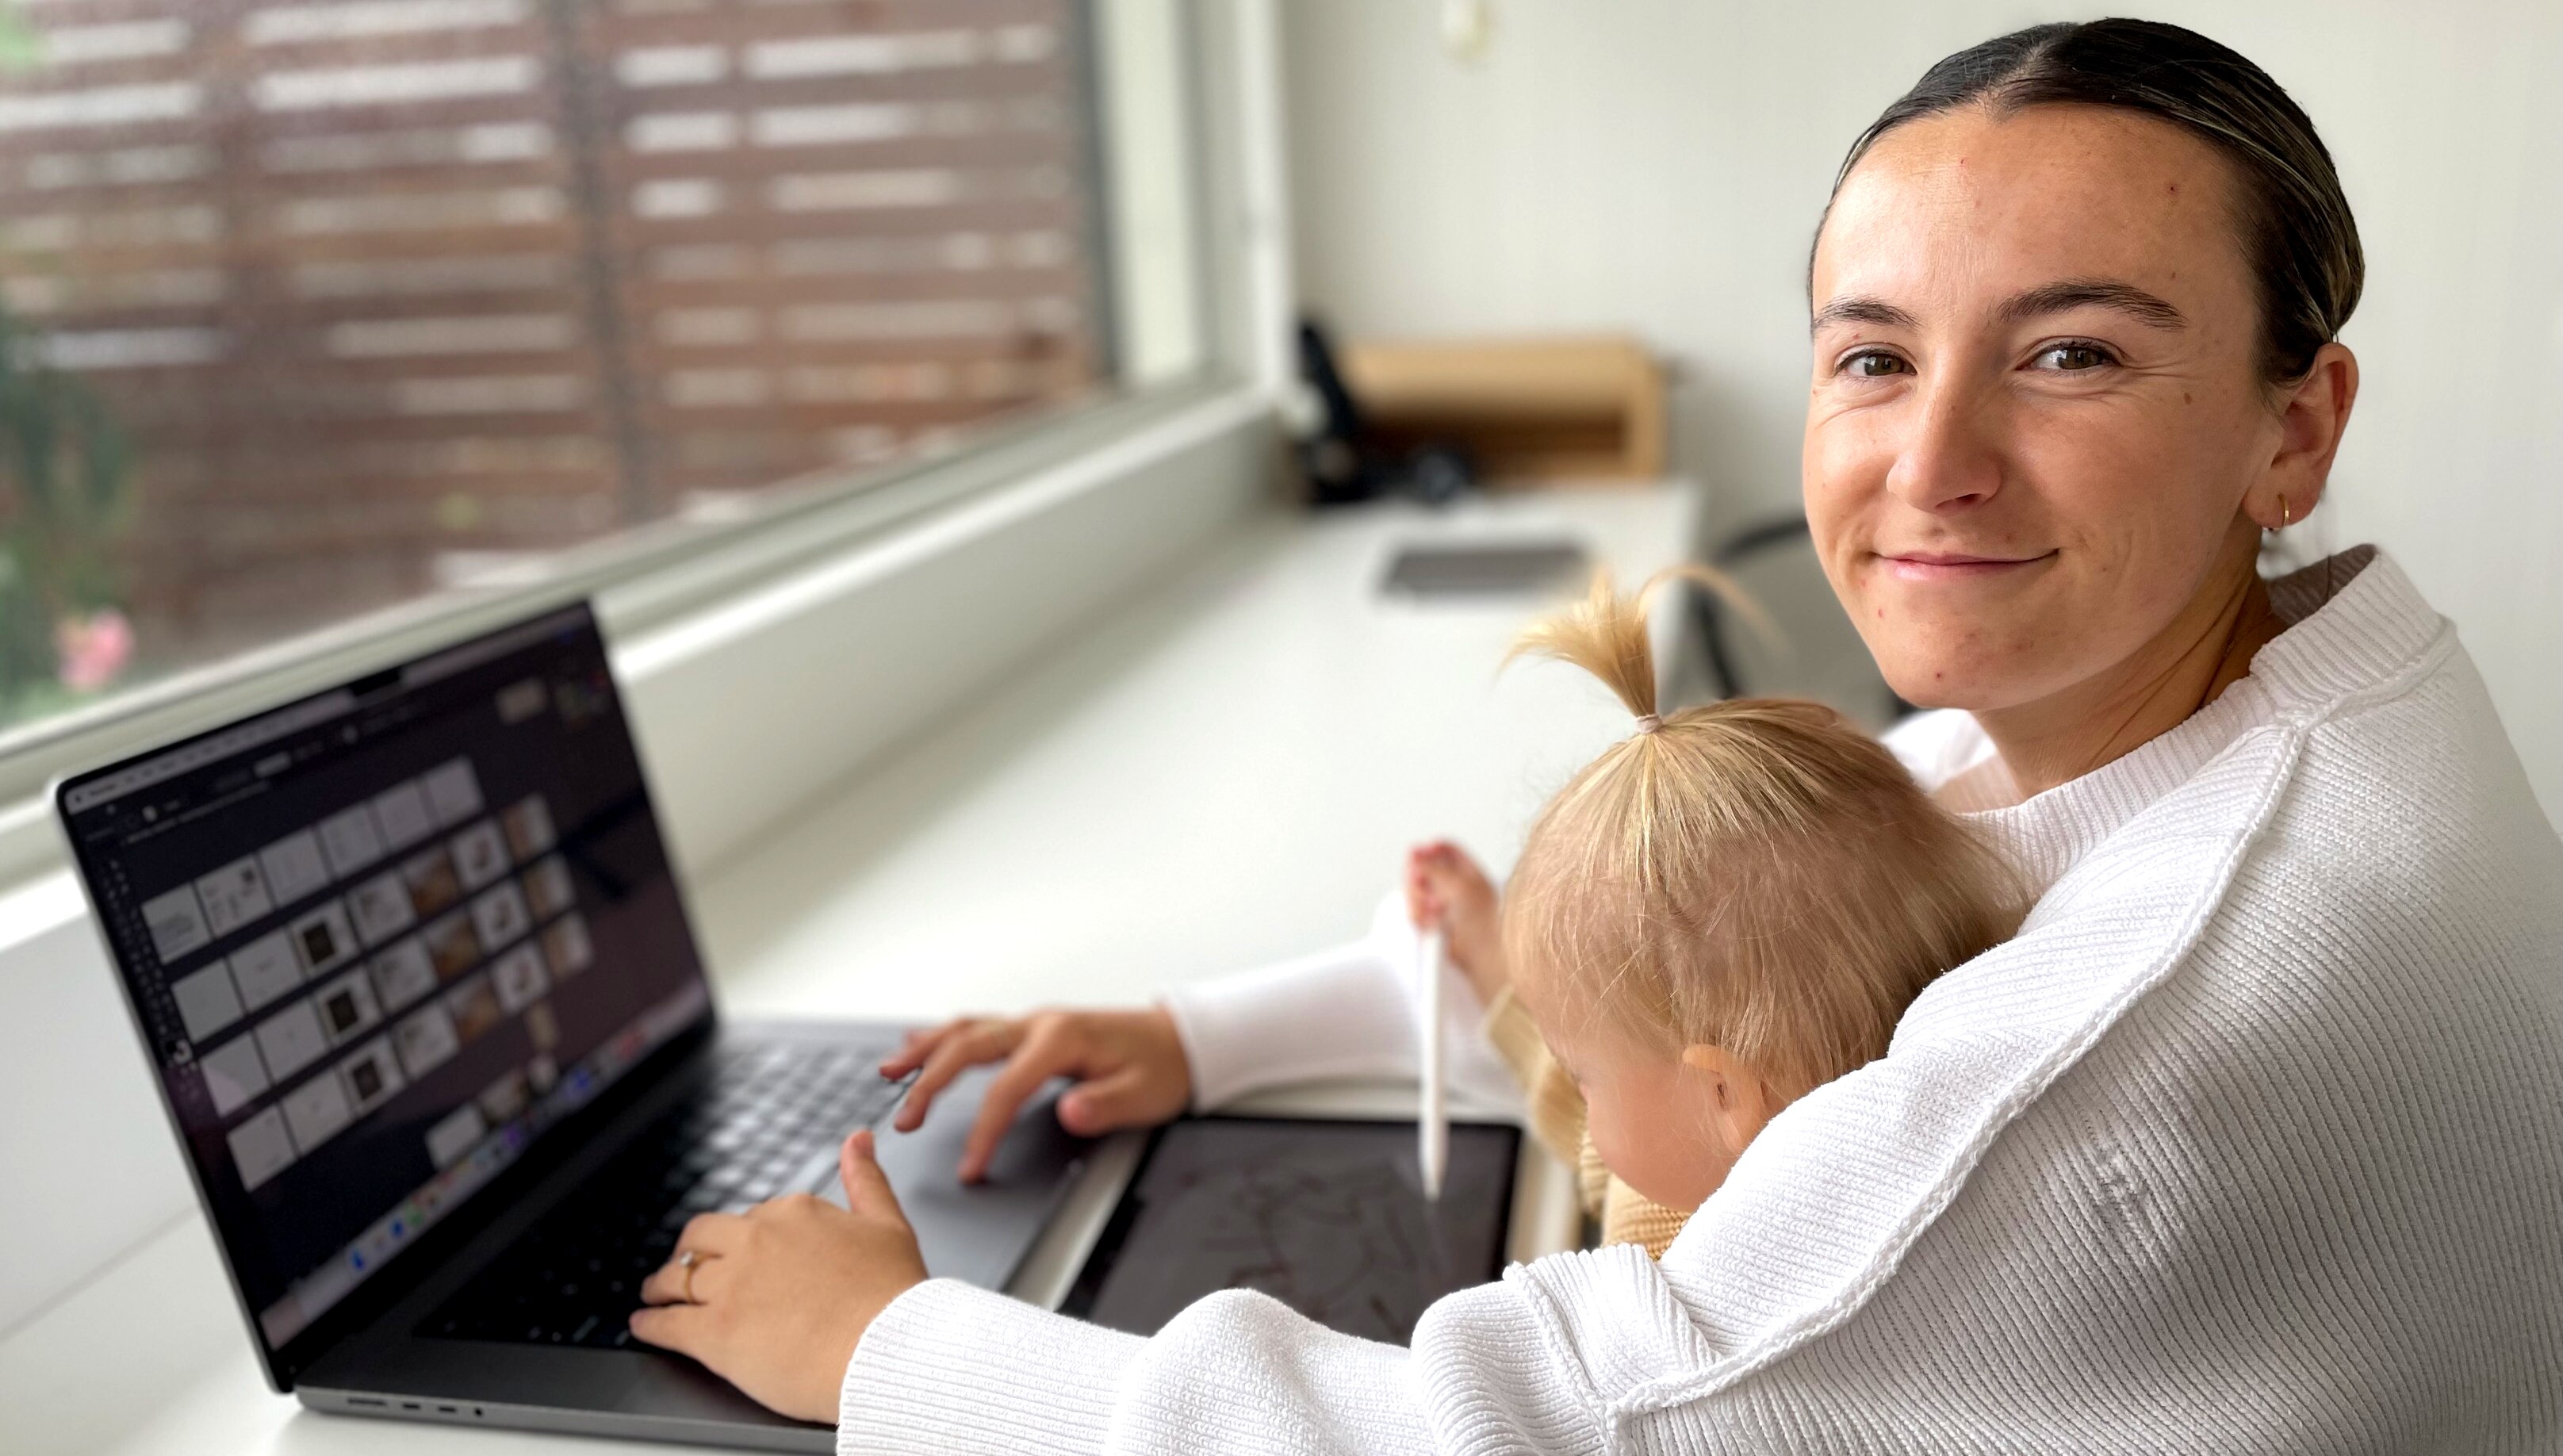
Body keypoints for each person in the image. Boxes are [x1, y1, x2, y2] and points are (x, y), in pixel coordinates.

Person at [629, 19, 2563, 1451]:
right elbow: (1728, 971)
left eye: (2072, 353)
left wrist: (887, 1352)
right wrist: (1203, 1038)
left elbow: (1556, 1430)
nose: (1933, 461)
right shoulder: (2180, 713)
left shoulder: (2165, 1012)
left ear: (2293, 423)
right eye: (1873, 356)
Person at [1409, 574, 2025, 1259]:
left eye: (1583, 1072)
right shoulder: (1703, 1145)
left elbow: (1603, 1154)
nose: (1581, 1093)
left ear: (1724, 1092)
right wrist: (1492, 962)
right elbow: (1604, 1131)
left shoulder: (1689, 1279)